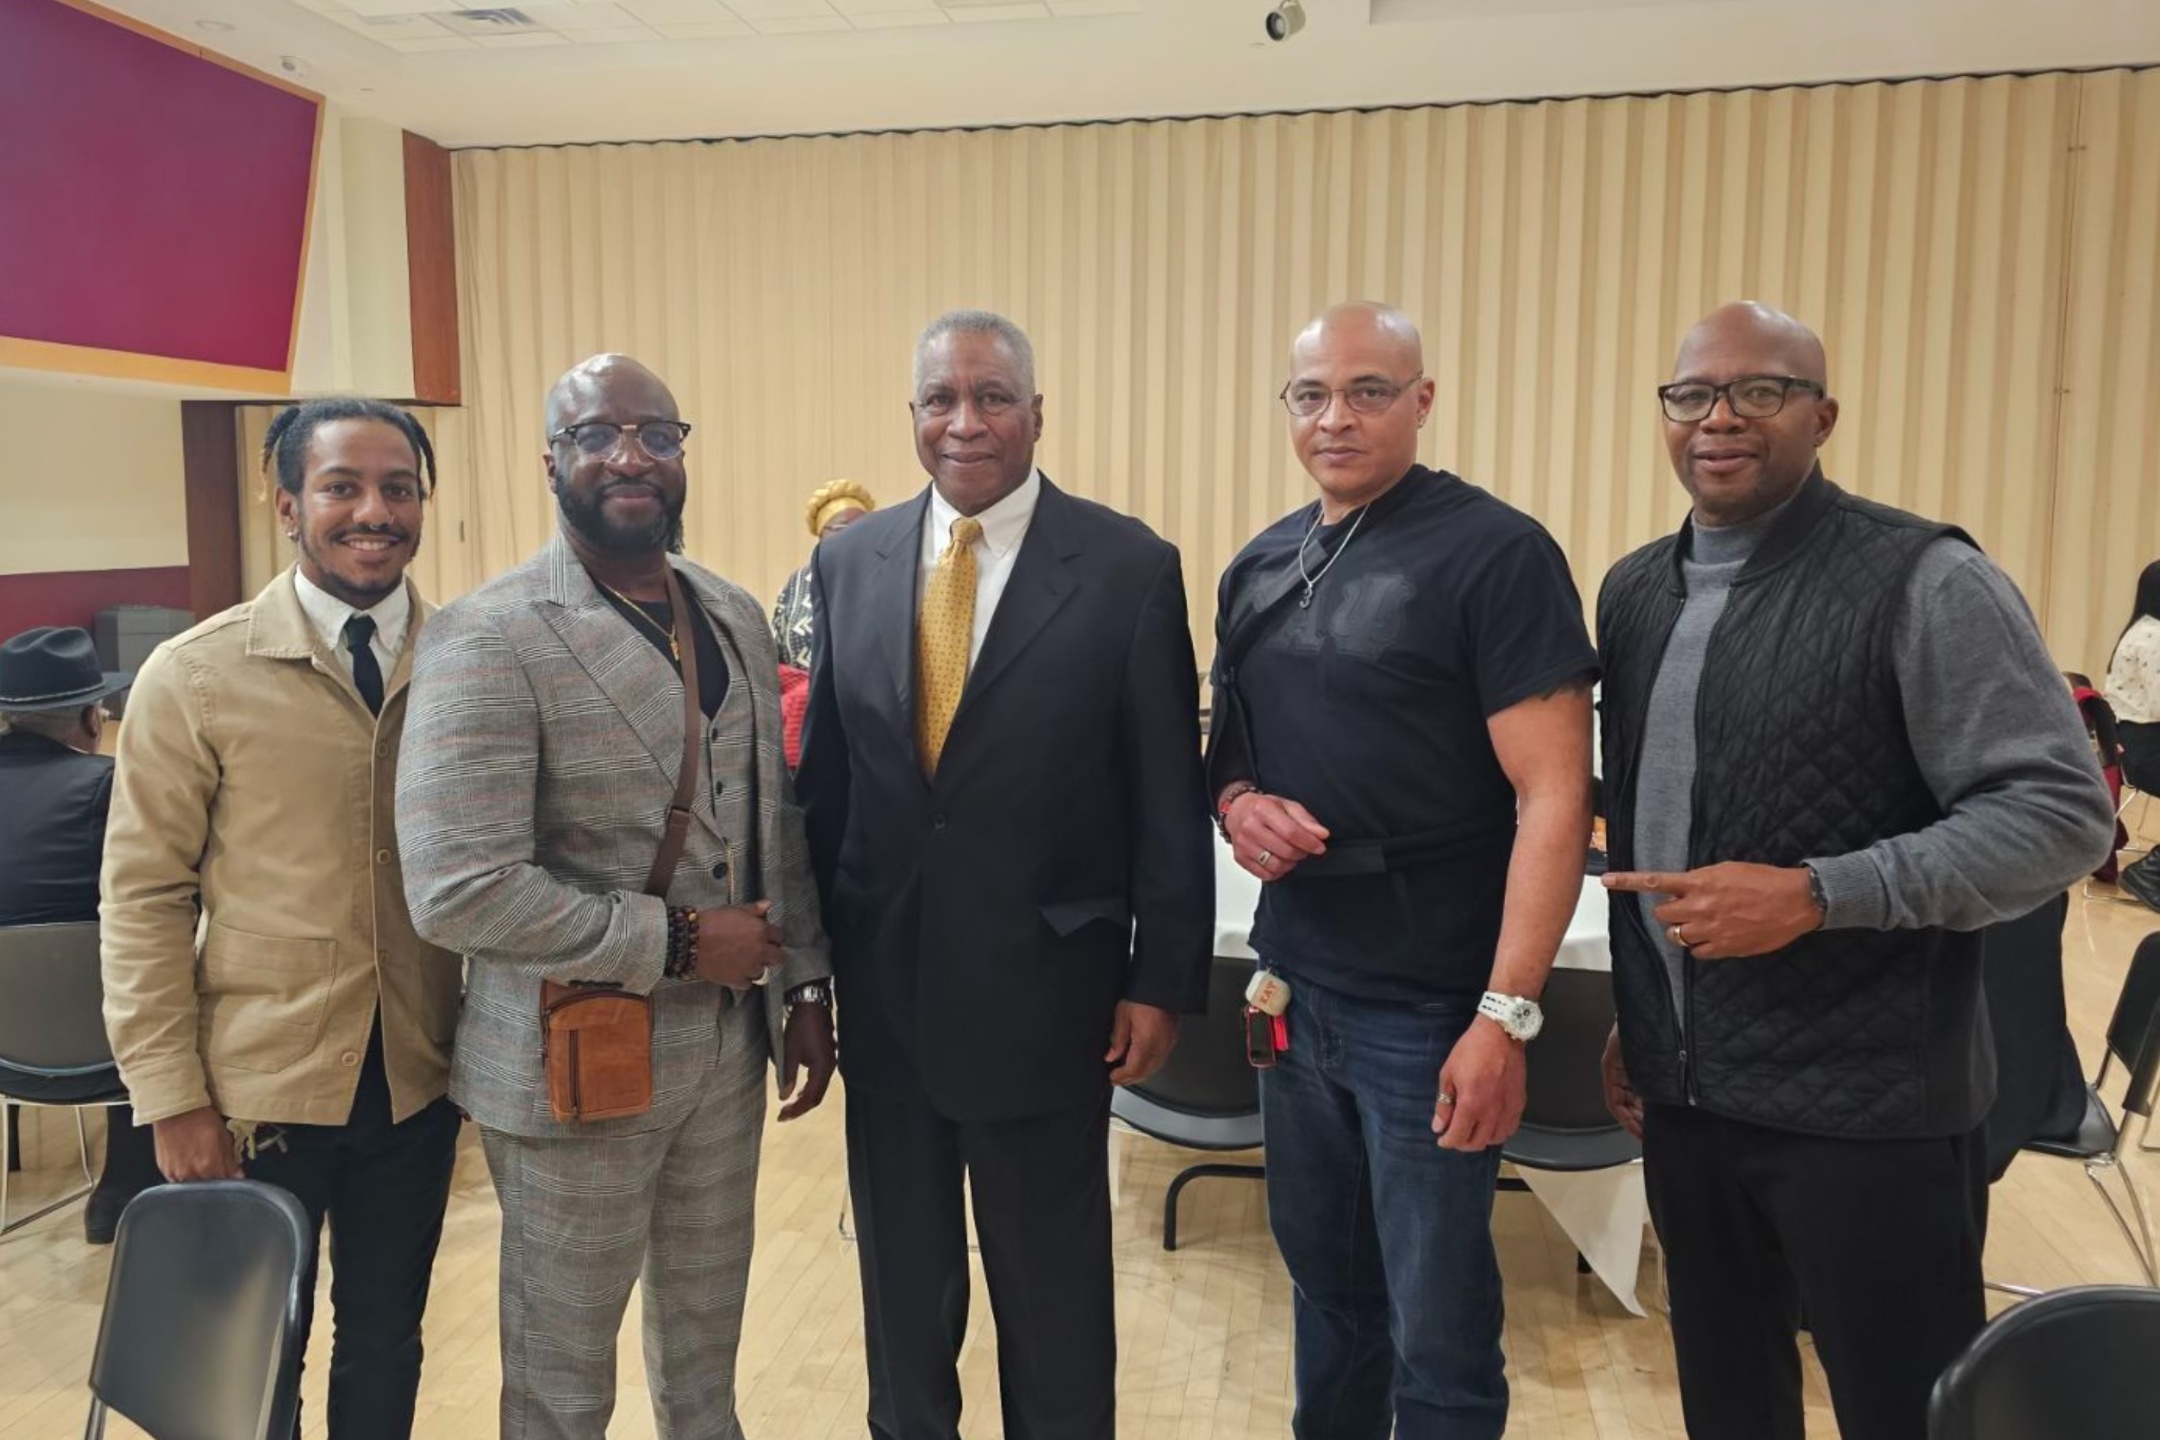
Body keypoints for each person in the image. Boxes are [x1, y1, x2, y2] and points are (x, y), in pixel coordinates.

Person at [1596, 302, 2115, 1440]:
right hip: (1687, 1098)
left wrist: (1823, 892)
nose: (1720, 417)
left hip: (1869, 1107)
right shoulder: (1635, 592)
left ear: (1822, 416)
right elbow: (1653, 824)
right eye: (1692, 395)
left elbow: (2064, 815)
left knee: (1905, 1411)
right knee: (1729, 1405)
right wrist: (1648, 1013)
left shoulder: (1924, 580)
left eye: (1760, 391)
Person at [397, 354, 835, 1440]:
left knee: (705, 1356)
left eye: (656, 434)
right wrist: (683, 940)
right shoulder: (487, 633)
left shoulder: (732, 612)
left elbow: (776, 826)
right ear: (553, 459)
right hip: (570, 1062)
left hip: (727, 1056)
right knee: (561, 1378)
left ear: (684, 454)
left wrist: (810, 989)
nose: (630, 455)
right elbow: (458, 889)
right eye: (598, 434)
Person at [797, 309, 1212, 1440]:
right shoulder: (851, 560)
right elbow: (824, 792)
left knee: (1055, 1303)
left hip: (1053, 1004)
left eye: (992, 398)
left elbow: (1166, 797)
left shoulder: (1127, 568)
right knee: (901, 1301)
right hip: (887, 1006)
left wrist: (1162, 978)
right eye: (941, 399)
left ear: (1037, 414)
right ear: (914, 415)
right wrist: (806, 983)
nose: (965, 422)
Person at [1206, 302, 1597, 1440]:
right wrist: (1239, 804)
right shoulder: (1262, 563)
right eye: (1312, 394)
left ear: (1422, 401)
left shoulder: (1496, 554)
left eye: (1369, 390)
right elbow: (1225, 751)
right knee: (1327, 1290)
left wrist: (1505, 1015)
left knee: (1437, 1321)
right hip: (1291, 985)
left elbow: (1555, 797)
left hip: (1430, 1005)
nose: (1337, 417)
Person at [101, 399, 465, 1439]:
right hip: (255, 1086)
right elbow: (142, 896)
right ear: (287, 501)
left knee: (388, 1343)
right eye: (343, 486)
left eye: (398, 488)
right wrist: (170, 1096)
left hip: (416, 1081)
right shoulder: (196, 674)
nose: (373, 511)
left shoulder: (467, 660)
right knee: (252, 1355)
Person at [0, 626, 158, 1242]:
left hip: (9, 1050)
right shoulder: (110, 786)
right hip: (103, 1046)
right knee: (154, 965)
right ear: (95, 717)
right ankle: (126, 1188)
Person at [774, 479, 877, 768]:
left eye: (865, 527)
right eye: (843, 528)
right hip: (804, 724)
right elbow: (775, 654)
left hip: (868, 722)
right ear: (821, 535)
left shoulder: (888, 577)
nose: (856, 536)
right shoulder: (797, 583)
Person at [2104, 560, 2160, 906]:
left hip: (2137, 742)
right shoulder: (2154, 636)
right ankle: (2151, 873)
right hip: (2147, 749)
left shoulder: (2143, 629)